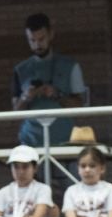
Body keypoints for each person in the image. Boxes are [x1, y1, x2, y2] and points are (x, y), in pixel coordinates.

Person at [12, 12, 88, 146]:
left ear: (51, 34)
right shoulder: (20, 70)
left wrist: (57, 95)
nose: (37, 45)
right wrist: (26, 97)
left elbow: (80, 107)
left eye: (41, 39)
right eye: (32, 40)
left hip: (65, 138)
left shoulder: (70, 66)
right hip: (30, 140)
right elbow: (15, 112)